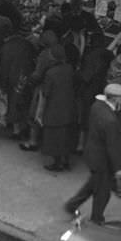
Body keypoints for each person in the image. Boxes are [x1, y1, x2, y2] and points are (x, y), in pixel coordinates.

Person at [63, 82, 121, 225]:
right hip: (102, 159)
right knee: (102, 192)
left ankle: (72, 205)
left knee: (94, 183)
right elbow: (112, 146)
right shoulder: (110, 120)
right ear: (115, 99)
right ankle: (97, 218)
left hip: (92, 153)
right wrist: (118, 168)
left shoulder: (97, 107)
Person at [39, 41, 76, 172]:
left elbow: (46, 93)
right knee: (65, 135)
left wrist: (40, 111)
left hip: (54, 108)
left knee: (54, 137)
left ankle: (57, 163)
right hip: (68, 107)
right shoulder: (70, 69)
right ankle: (66, 161)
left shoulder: (51, 73)